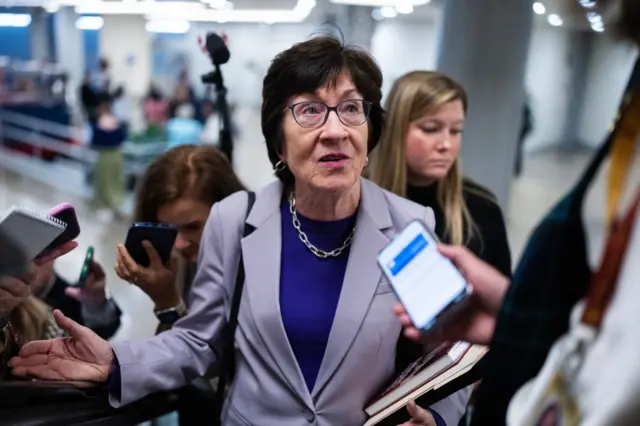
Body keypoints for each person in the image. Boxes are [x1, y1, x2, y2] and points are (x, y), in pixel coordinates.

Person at [8, 35, 470, 426]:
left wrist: (440, 418)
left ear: (371, 131)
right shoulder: (235, 219)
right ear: (278, 140)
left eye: (351, 109)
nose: (335, 131)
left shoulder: (410, 227)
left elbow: (452, 353)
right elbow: (199, 339)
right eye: (310, 111)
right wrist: (116, 362)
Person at [115, 144, 245, 332]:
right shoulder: (184, 263)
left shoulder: (254, 268)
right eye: (167, 230)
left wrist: (167, 302)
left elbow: (210, 355)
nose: (179, 244)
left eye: (193, 227)